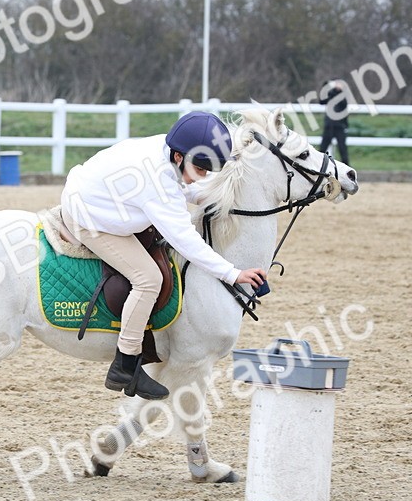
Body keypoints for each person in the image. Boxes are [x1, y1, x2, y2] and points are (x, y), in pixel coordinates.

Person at [60, 111, 270, 399]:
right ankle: (125, 363)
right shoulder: (157, 182)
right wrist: (233, 273)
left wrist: (208, 195)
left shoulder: (167, 147)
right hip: (88, 218)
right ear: (179, 157)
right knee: (148, 279)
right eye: (201, 168)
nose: (205, 175)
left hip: (98, 193)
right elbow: (186, 240)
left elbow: (185, 187)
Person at [318, 77, 351, 165]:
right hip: (329, 126)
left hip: (340, 126)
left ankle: (347, 171)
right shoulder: (330, 94)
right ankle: (318, 168)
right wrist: (326, 86)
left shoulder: (343, 95)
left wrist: (338, 90)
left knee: (343, 150)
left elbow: (342, 104)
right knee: (322, 150)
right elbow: (322, 101)